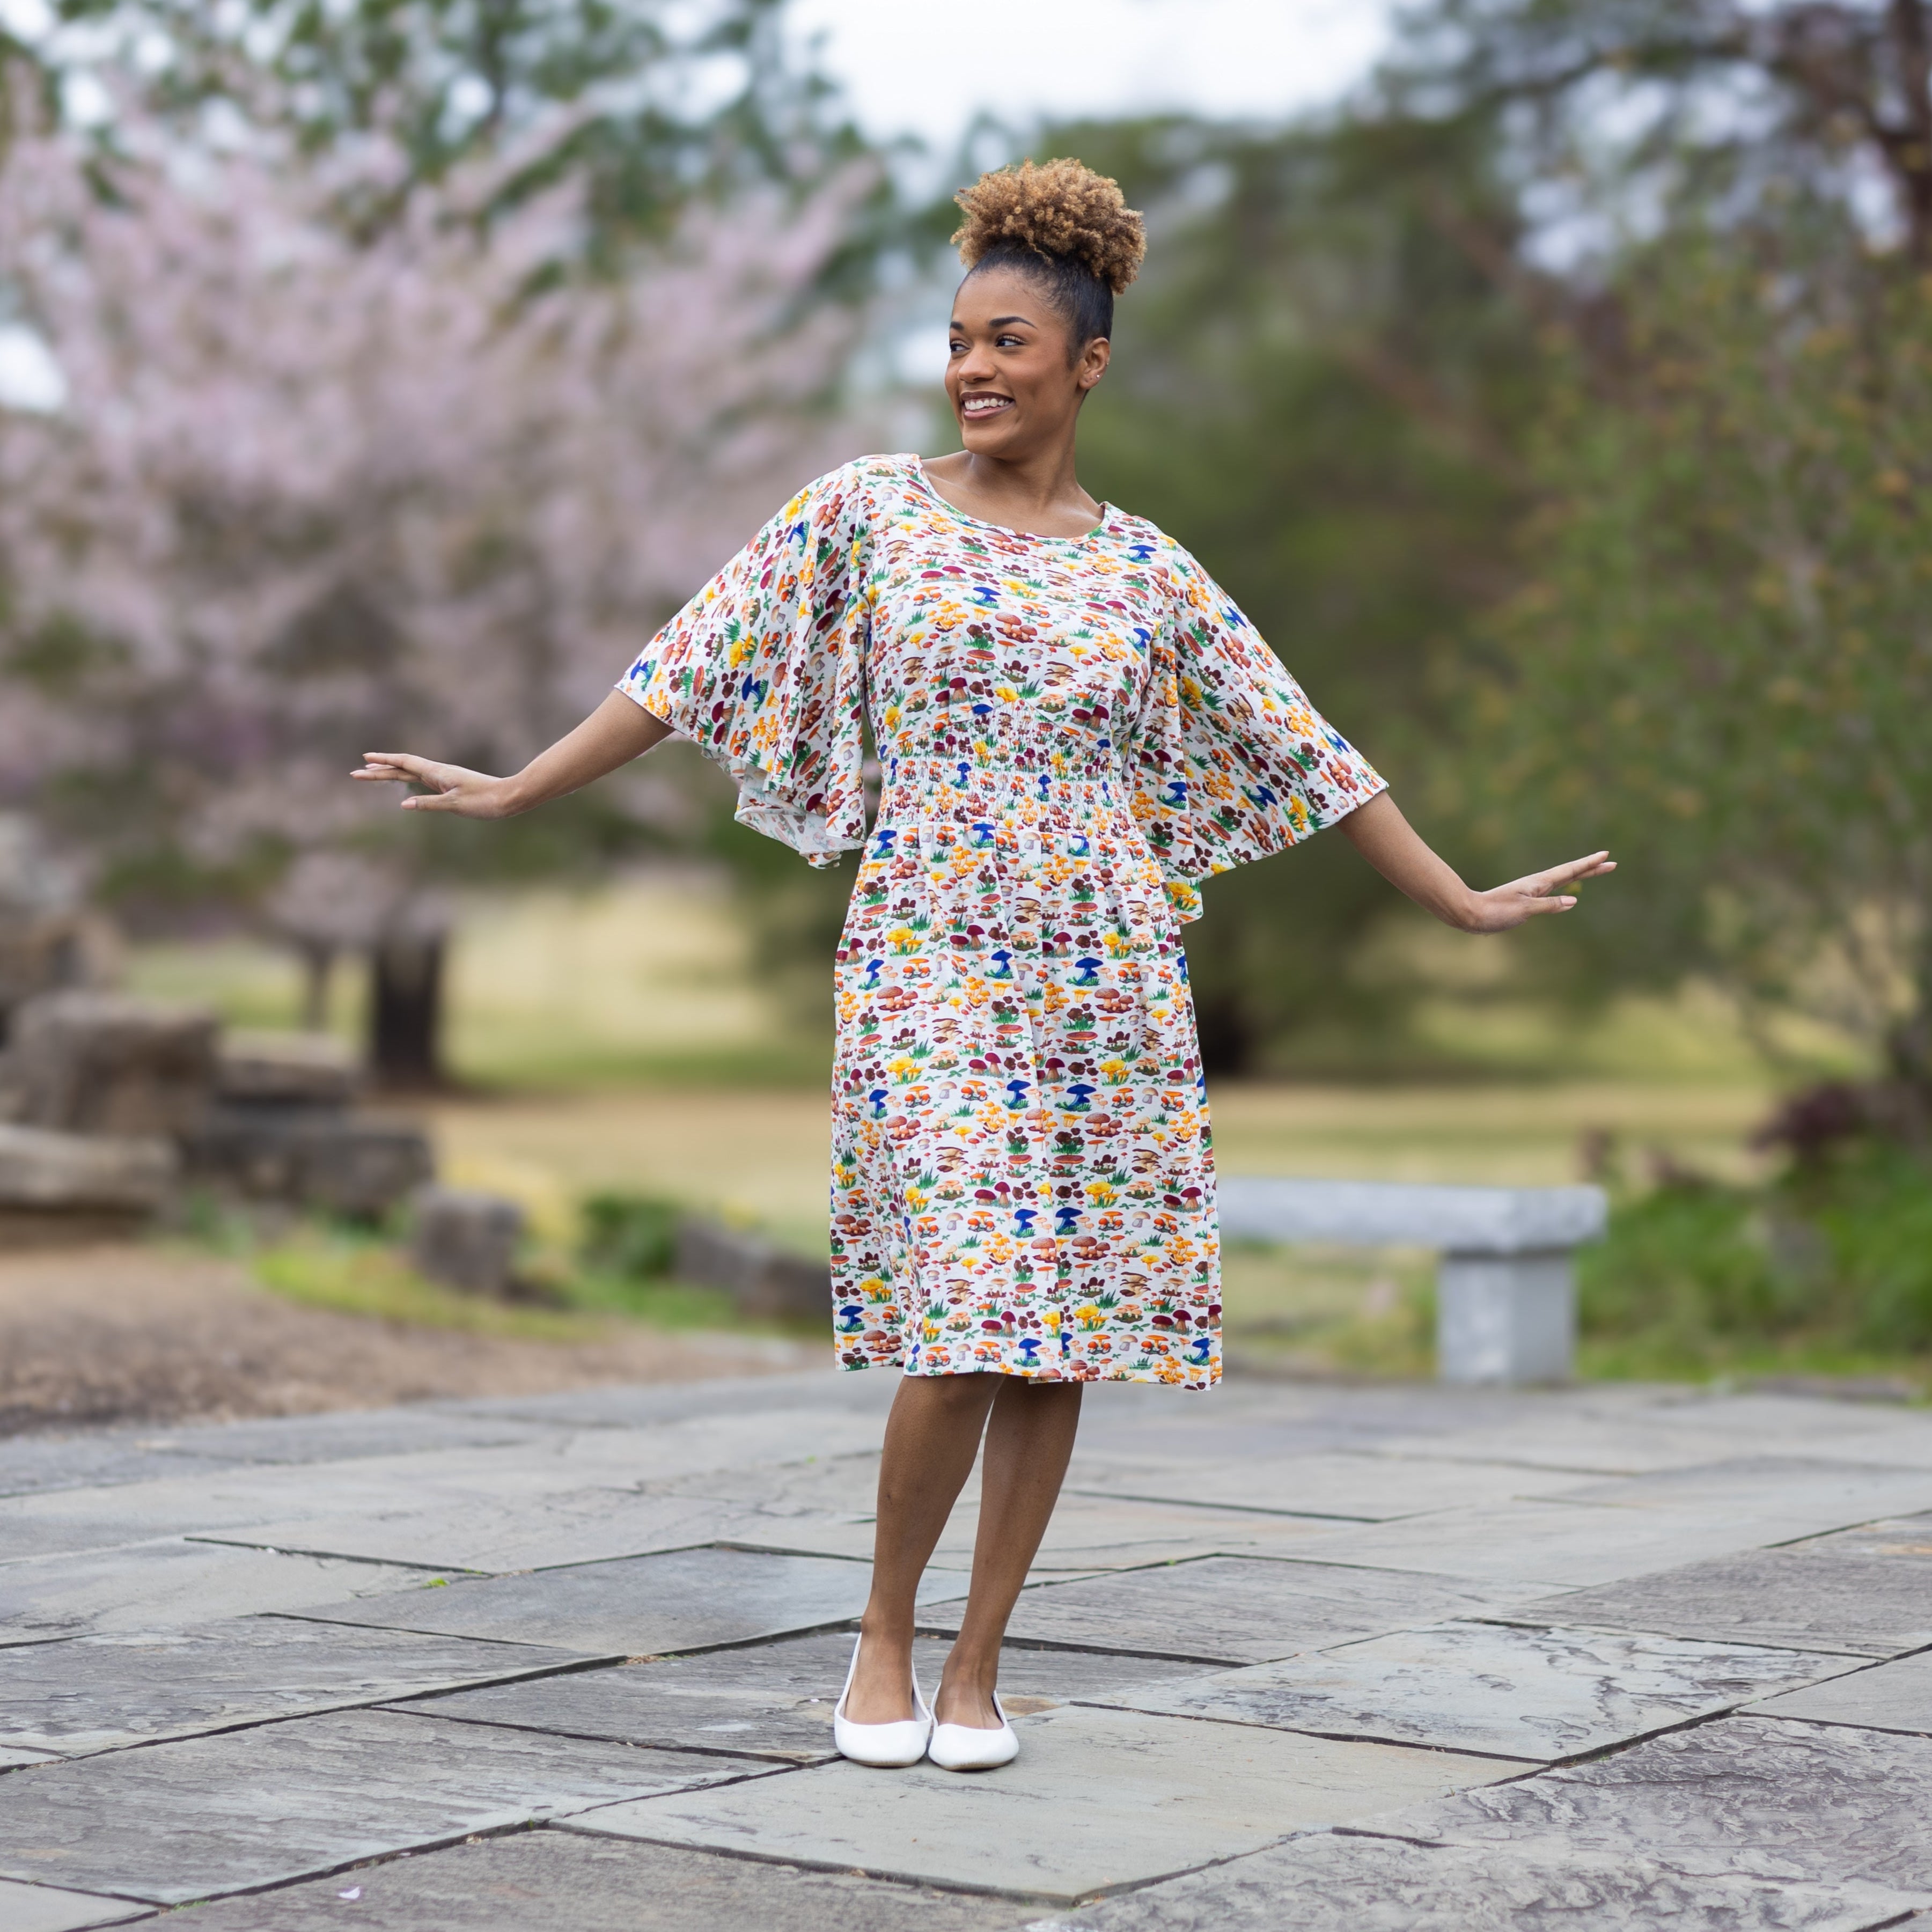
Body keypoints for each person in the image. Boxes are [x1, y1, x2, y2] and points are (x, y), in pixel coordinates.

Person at [354, 157, 1613, 1773]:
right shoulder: (865, 510)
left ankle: (978, 1663)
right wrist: (522, 781)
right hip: (927, 951)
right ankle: (880, 1630)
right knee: (961, 1302)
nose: (974, 367)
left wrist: (1454, 900)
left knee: (1059, 1323)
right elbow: (693, 657)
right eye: (958, 339)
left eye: (1010, 341)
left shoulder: (1148, 571)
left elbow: (1305, 747)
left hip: (1106, 968)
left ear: (1087, 362)